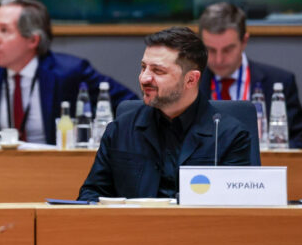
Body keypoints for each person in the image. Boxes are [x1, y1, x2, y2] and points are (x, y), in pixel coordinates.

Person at [78, 27, 251, 201]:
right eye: (143, 67)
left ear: (190, 79)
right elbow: (90, 196)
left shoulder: (230, 136)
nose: (144, 78)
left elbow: (236, 207)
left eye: (158, 71)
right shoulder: (120, 130)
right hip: (135, 219)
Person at [0, 0, 137, 145]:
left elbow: (128, 103)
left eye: (4, 30)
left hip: (55, 165)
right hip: (0, 165)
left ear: (33, 40)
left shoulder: (70, 72)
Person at [198, 2, 302, 149]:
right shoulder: (190, 84)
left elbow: (301, 143)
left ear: (244, 41)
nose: (219, 60)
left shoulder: (278, 81)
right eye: (211, 50)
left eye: (227, 50)